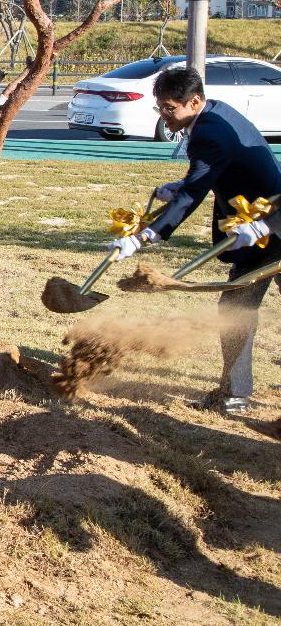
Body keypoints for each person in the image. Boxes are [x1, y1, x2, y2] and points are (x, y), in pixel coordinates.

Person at [112, 66, 281, 414]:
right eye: (160, 106)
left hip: (270, 228)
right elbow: (210, 174)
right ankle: (234, 394)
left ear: (194, 101)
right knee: (236, 307)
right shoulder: (212, 113)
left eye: (169, 108)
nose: (163, 115)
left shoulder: (210, 133)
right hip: (257, 225)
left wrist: (147, 235)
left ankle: (234, 396)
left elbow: (194, 193)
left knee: (236, 309)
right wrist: (180, 186)